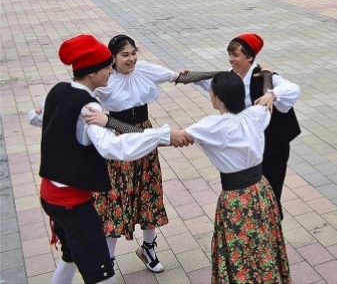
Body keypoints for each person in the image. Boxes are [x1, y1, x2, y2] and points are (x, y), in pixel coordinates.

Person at [34, 34, 188, 284]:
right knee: (102, 274)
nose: (110, 72)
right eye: (108, 66)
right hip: (72, 202)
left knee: (70, 257)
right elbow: (111, 148)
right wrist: (162, 135)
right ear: (93, 72)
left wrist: (43, 109)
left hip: (51, 194)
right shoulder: (89, 107)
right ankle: (108, 264)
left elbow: (35, 117)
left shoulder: (59, 92)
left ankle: (145, 249)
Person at [176, 72, 290, 282]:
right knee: (263, 247)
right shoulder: (256, 114)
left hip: (237, 200)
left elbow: (169, 137)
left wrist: (112, 123)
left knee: (240, 253)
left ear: (217, 97)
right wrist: (267, 79)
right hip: (262, 192)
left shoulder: (211, 126)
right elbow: (265, 96)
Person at [88, 35, 185, 272]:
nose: (131, 58)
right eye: (125, 54)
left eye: (133, 53)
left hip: (144, 135)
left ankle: (149, 248)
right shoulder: (105, 78)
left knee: (148, 189)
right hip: (118, 141)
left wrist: (223, 75)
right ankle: (108, 258)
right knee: (115, 196)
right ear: (112, 57)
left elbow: (178, 77)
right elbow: (87, 102)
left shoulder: (144, 69)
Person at [180, 34, 301, 204]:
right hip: (248, 145)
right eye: (229, 55)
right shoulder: (231, 76)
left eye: (235, 55)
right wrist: (191, 77)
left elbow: (293, 89)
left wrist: (272, 94)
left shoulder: (266, 77)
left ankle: (272, 223)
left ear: (250, 57)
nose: (231, 59)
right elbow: (215, 85)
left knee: (271, 192)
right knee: (250, 192)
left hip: (273, 145)